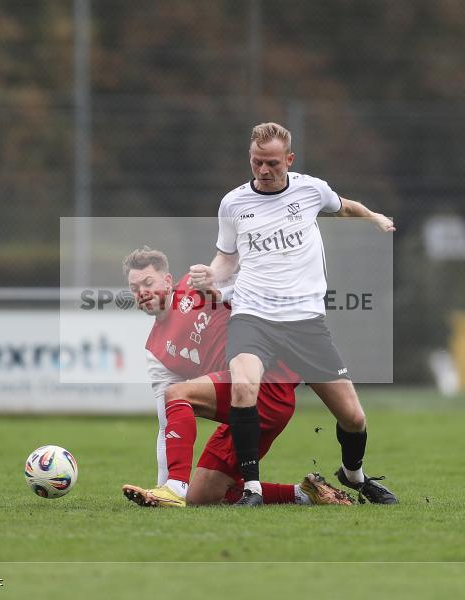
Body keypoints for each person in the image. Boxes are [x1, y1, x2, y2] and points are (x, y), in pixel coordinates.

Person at [189, 122, 398, 507]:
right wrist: (211, 276)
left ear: (289, 160)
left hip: (305, 324)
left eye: (272, 163)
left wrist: (374, 217)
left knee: (353, 418)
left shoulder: (310, 189)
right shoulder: (233, 203)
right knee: (243, 388)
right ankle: (251, 489)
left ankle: (354, 475)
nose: (264, 171)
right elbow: (226, 258)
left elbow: (345, 206)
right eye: (256, 163)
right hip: (253, 316)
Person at [119, 246, 352, 508]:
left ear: (168, 280)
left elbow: (245, 270)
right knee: (201, 496)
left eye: (148, 283)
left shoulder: (196, 283)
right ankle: (305, 493)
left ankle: (175, 486)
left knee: (178, 393)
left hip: (268, 385)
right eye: (135, 288)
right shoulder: (156, 352)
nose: (142, 293)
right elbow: (167, 425)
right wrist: (158, 492)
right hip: (240, 410)